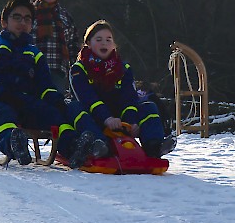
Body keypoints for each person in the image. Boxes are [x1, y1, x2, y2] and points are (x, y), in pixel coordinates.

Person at [0, 0, 107, 167]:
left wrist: (56, 100)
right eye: (17, 17)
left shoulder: (34, 53)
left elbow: (44, 86)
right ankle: (13, 143)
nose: (22, 22)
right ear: (4, 22)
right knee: (2, 114)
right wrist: (6, 94)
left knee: (52, 114)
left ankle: (73, 147)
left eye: (27, 19)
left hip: (23, 101)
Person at [71, 21, 175, 158]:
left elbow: (129, 97)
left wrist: (131, 122)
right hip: (94, 118)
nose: (104, 43)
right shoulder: (79, 69)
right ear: (88, 44)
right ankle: (97, 146)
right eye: (99, 39)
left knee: (148, 107)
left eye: (108, 40)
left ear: (114, 45)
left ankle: (154, 146)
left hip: (120, 119)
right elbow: (87, 98)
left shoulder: (123, 69)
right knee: (74, 108)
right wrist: (107, 119)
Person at [32, 0, 75, 96]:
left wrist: (75, 69)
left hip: (58, 68)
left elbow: (73, 45)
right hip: (32, 67)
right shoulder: (29, 13)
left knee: (55, 102)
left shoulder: (65, 16)